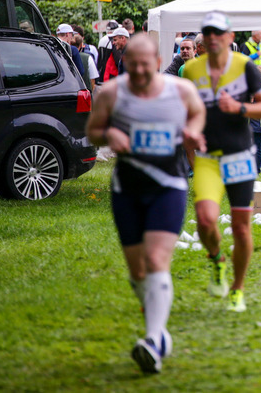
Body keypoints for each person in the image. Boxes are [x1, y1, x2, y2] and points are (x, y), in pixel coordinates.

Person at [85, 34, 206, 374]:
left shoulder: (179, 90)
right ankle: (160, 331)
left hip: (168, 185)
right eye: (132, 65)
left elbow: (196, 115)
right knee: (138, 272)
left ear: (156, 61)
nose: (138, 71)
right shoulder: (112, 93)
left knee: (156, 259)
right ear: (126, 63)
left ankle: (153, 340)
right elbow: (93, 130)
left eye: (145, 65)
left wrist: (192, 132)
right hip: (128, 188)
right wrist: (109, 135)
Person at [181, 11, 261, 313]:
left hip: (239, 155)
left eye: (218, 32)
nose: (212, 38)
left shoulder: (244, 66)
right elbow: (188, 116)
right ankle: (217, 261)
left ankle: (237, 288)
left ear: (230, 37)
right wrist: (191, 141)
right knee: (206, 221)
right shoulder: (190, 70)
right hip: (208, 158)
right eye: (207, 32)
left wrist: (238, 107)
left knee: (241, 228)